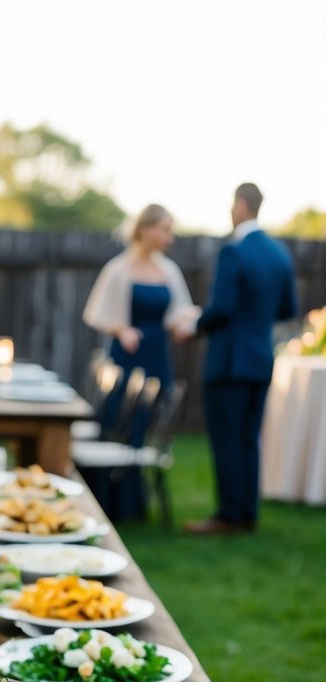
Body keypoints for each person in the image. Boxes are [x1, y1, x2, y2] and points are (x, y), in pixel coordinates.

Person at [183, 183, 298, 534]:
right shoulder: (280, 254)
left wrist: (195, 325)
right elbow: (287, 309)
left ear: (241, 205)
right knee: (249, 439)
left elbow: (223, 308)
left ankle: (228, 516)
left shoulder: (234, 251)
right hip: (261, 359)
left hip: (229, 361)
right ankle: (247, 513)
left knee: (227, 439)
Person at [82, 203, 196, 518]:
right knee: (119, 419)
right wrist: (121, 329)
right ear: (145, 230)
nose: (169, 237)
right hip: (127, 356)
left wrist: (191, 321)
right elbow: (97, 312)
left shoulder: (169, 270)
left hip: (157, 354)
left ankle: (136, 503)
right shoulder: (118, 269)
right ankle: (112, 500)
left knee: (145, 422)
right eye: (164, 229)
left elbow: (178, 315)